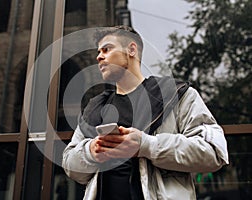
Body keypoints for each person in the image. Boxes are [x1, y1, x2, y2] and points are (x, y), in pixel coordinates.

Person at [62, 25, 229, 200]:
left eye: (107, 49)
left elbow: (213, 152)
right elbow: (69, 164)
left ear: (131, 49)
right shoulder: (94, 108)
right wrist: (91, 151)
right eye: (98, 52)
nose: (99, 57)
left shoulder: (175, 94)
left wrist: (146, 145)